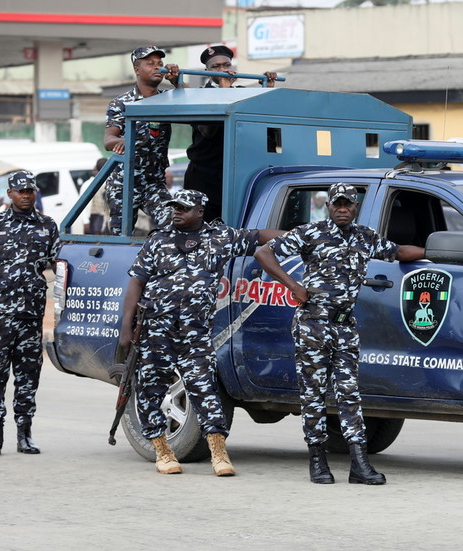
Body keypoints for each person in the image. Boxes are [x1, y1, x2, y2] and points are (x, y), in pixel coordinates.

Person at [254, 182, 425, 485]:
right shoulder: (312, 232)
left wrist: (434, 252)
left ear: (355, 206)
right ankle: (317, 461)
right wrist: (293, 285)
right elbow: (264, 253)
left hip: (346, 326)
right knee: (314, 393)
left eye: (348, 204)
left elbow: (397, 252)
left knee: (349, 393)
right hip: (313, 324)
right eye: (337, 204)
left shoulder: (365, 237)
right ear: (329, 206)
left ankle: (359, 464)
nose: (342, 209)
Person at [120, 189, 282, 476]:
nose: (176, 212)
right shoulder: (158, 239)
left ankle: (219, 454)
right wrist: (126, 326)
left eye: (183, 208)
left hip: (195, 334)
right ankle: (163, 451)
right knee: (149, 389)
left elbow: (260, 237)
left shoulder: (220, 238)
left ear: (200, 211)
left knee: (205, 388)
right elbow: (137, 281)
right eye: (174, 208)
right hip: (157, 330)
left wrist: (305, 236)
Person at [0, 171, 60, 457]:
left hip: (31, 318)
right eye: (21, 191)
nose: (26, 195)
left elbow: (59, 268)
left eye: (30, 191)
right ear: (9, 193)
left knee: (28, 378)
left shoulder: (47, 226)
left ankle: (25, 434)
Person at [184, 45, 278, 222]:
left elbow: (264, 125)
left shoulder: (243, 93)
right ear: (207, 71)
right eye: (216, 67)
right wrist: (223, 93)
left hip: (237, 173)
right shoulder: (199, 95)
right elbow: (208, 131)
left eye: (226, 65)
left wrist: (267, 90)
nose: (223, 70)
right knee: (202, 224)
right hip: (205, 175)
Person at [103, 46, 182, 234]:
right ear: (137, 69)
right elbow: (108, 140)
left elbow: (198, 104)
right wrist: (121, 141)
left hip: (153, 182)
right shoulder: (122, 102)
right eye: (150, 64)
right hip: (125, 182)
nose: (157, 68)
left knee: (173, 222)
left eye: (160, 64)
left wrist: (177, 83)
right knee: (122, 234)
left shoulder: (169, 99)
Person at [85, 157, 108, 235]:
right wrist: (85, 221)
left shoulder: (108, 182)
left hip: (103, 218)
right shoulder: (90, 184)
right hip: (97, 217)